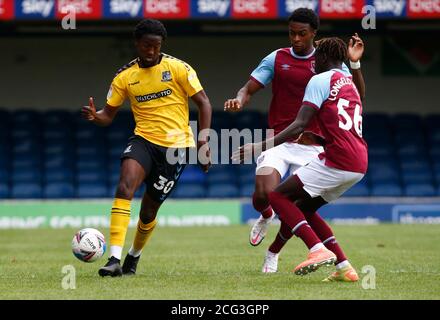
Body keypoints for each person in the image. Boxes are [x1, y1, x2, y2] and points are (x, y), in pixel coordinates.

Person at [224, 8, 365, 278]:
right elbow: (248, 88)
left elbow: (355, 92)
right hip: (279, 140)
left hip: (313, 146)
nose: (296, 39)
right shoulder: (277, 58)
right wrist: (239, 100)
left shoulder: (327, 60)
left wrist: (356, 65)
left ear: (314, 34)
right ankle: (266, 215)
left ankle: (274, 252)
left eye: (302, 34)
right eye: (292, 33)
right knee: (265, 194)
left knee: (293, 202)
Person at [81, 19, 212, 277]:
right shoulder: (125, 77)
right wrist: (96, 117)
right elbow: (108, 115)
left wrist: (203, 142)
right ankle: (114, 258)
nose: (151, 51)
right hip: (143, 140)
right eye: (146, 45)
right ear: (137, 44)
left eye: (156, 46)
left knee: (149, 209)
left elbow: (204, 103)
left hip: (177, 148)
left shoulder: (178, 68)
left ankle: (133, 257)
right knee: (124, 186)